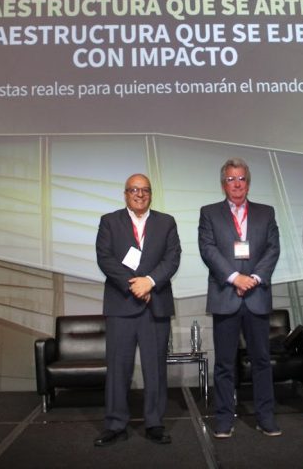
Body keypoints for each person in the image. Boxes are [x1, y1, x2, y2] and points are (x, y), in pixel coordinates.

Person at [94, 173, 181, 446]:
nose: (139, 194)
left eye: (145, 190)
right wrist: (133, 285)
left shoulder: (167, 222)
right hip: (122, 304)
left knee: (155, 368)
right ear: (125, 194)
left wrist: (150, 282)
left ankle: (154, 423)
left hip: (155, 304)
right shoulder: (109, 221)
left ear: (151, 194)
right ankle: (115, 424)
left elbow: (173, 258)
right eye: (134, 190)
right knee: (118, 368)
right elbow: (105, 258)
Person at [198, 157, 281, 438]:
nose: (237, 184)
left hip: (257, 296)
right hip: (226, 296)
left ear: (248, 183)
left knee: (261, 361)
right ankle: (224, 418)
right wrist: (235, 278)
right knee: (224, 364)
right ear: (223, 184)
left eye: (241, 178)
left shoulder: (266, 212)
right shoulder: (209, 213)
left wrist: (253, 278)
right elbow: (208, 249)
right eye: (231, 179)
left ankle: (266, 417)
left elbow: (273, 249)